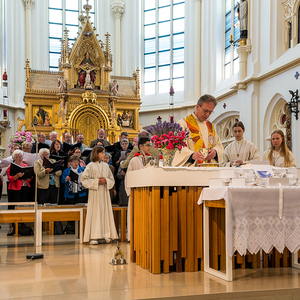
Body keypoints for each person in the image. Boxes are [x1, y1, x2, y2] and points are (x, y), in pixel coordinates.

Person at [171, 94, 224, 167]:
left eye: (210, 112)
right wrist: (191, 155)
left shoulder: (210, 126)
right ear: (197, 107)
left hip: (210, 170)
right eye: (205, 111)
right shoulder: (182, 124)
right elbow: (178, 147)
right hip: (192, 170)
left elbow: (218, 145)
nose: (207, 114)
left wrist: (215, 152)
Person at [81, 146, 118, 245]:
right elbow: (83, 179)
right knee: (95, 212)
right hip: (95, 193)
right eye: (102, 153)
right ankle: (94, 236)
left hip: (104, 193)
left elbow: (112, 179)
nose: (104, 155)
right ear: (97, 154)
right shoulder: (90, 166)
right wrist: (97, 181)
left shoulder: (106, 166)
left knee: (105, 211)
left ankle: (106, 234)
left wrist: (106, 180)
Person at [125, 137, 151, 241]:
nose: (149, 147)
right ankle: (134, 236)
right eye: (147, 145)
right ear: (140, 146)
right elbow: (128, 177)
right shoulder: (133, 160)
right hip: (136, 193)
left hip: (148, 193)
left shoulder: (151, 160)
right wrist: (130, 192)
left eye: (150, 145)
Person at [6, 150, 33, 235]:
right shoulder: (11, 166)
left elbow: (30, 177)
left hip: (24, 188)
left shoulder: (25, 165)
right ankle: (14, 226)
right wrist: (17, 176)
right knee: (14, 207)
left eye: (21, 157)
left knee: (22, 207)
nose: (20, 158)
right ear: (14, 158)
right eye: (18, 157)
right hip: (15, 189)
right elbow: (10, 178)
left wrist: (28, 177)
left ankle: (21, 225)